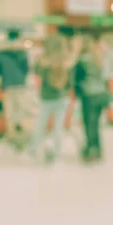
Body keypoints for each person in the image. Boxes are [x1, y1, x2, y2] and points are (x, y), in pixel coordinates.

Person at [28, 35, 79, 163]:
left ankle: (33, 150)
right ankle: (56, 154)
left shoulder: (43, 61)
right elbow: (70, 83)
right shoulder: (67, 62)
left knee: (40, 126)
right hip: (61, 98)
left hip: (46, 98)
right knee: (58, 127)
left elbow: (36, 74)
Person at [0, 29, 30, 148]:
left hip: (7, 83)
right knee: (20, 107)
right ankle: (20, 130)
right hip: (20, 83)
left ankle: (10, 132)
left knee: (9, 108)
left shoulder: (1, 51)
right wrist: (22, 76)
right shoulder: (22, 50)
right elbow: (26, 67)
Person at [74, 35, 109, 162]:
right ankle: (98, 149)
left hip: (89, 95)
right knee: (96, 124)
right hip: (101, 94)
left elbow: (77, 78)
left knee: (89, 124)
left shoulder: (82, 59)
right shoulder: (98, 58)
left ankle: (90, 150)